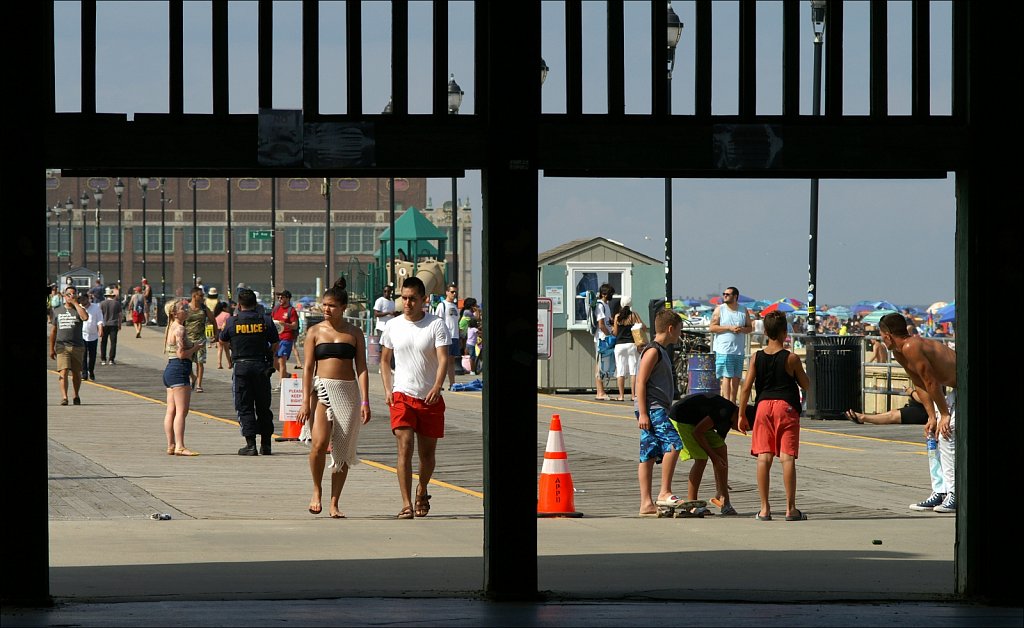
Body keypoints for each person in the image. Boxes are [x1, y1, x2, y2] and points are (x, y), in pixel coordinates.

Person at [296, 277, 371, 518]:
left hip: (348, 391)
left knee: (343, 449)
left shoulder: (354, 332)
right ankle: (316, 490)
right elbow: (308, 367)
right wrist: (305, 401)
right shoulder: (314, 332)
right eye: (324, 305)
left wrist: (365, 401)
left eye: (331, 306)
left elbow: (361, 367)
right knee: (318, 444)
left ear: (343, 308)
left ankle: (334, 502)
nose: (326, 310)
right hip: (322, 390)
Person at [379, 276, 450, 520]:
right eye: (404, 298)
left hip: (429, 397)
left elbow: (443, 358)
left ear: (423, 300)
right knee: (405, 446)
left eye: (412, 299)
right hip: (402, 394)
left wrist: (438, 386)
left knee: (427, 455)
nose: (407, 303)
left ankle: (422, 489)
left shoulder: (436, 324)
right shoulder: (393, 325)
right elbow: (385, 360)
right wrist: (388, 389)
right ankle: (406, 503)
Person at [878, 312, 958, 513]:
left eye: (881, 335)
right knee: (933, 433)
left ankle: (954, 493)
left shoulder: (912, 346)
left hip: (961, 386)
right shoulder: (898, 352)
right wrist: (932, 416)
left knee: (947, 434)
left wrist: (944, 415)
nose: (880, 339)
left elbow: (931, 381)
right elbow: (919, 383)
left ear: (887, 335)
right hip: (948, 391)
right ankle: (940, 490)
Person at [737, 310, 810, 522]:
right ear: (785, 333)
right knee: (787, 457)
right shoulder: (791, 358)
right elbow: (806, 384)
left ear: (766, 332)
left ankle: (764, 508)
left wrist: (742, 414)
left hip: (762, 407)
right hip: (785, 407)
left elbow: (745, 388)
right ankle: (790, 508)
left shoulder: (756, 357)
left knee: (764, 456)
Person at [634, 308, 686, 517]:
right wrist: (644, 413)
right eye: (679, 331)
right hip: (653, 409)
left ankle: (646, 503)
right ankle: (664, 491)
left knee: (648, 453)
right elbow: (640, 381)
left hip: (655, 408)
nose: (680, 335)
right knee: (674, 446)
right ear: (671, 329)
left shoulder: (659, 351)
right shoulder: (653, 351)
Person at [219, 288, 280, 456]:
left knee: (244, 405)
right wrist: (268, 355)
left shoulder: (232, 322)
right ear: (256, 304)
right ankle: (266, 445)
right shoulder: (265, 321)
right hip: (261, 367)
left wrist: (229, 359)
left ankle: (250, 444)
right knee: (263, 406)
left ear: (239, 305)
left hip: (241, 367)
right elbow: (275, 343)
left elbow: (222, 340)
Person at [669, 392, 750, 516]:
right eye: (744, 427)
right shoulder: (724, 412)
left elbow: (718, 449)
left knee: (721, 448)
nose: (742, 430)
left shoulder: (728, 421)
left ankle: (723, 497)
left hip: (697, 422)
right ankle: (692, 504)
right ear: (741, 417)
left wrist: (721, 480)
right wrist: (714, 457)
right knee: (701, 458)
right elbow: (697, 433)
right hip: (682, 418)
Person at [162, 299, 204, 456]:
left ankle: (171, 445)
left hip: (170, 370)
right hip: (179, 369)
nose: (186, 310)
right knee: (181, 411)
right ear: (174, 313)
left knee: (171, 410)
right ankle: (180, 446)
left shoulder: (171, 327)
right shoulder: (179, 329)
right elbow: (181, 354)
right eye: (182, 308)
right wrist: (196, 347)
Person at [709, 287, 753, 404]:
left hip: (738, 350)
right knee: (726, 377)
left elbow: (750, 328)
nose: (725, 296)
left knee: (736, 377)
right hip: (724, 349)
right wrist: (728, 327)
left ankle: (733, 403)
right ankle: (726, 403)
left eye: (727, 294)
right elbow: (712, 327)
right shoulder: (720, 310)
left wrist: (742, 329)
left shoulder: (743, 310)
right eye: (724, 294)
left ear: (735, 296)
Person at [49, 285, 89, 406]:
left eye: (73, 294)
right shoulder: (57, 311)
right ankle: (64, 397)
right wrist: (51, 348)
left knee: (76, 373)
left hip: (77, 346)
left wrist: (76, 303)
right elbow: (53, 331)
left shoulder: (79, 309)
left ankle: (76, 395)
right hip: (62, 346)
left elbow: (85, 317)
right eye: (68, 294)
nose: (70, 296)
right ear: (64, 296)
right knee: (63, 371)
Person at [611, 295, 646, 402]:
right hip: (631, 344)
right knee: (633, 370)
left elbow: (616, 333)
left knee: (620, 371)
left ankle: (621, 396)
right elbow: (643, 327)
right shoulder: (634, 315)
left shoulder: (617, 316)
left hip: (619, 345)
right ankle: (633, 395)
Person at [183, 286, 217, 393]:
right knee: (186, 362)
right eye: (201, 295)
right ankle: (192, 377)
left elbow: (213, 320)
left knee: (200, 362)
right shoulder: (186, 308)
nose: (203, 297)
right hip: (188, 339)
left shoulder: (204, 308)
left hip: (200, 338)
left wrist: (215, 334)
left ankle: (199, 384)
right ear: (194, 296)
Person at [845, 385, 929, 425]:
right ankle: (864, 417)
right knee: (893, 412)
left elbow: (926, 400)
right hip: (920, 406)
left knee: (893, 416)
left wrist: (911, 392)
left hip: (928, 410)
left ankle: (863, 418)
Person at [434, 283, 461, 389]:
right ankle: (438, 384)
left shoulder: (455, 306)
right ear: (447, 292)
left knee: (451, 361)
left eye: (455, 292)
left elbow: (456, 322)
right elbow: (438, 321)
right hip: (446, 337)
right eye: (452, 292)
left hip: (455, 336)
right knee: (442, 361)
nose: (454, 294)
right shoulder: (442, 305)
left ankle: (452, 383)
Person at [271, 290, 300, 388]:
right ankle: (286, 375)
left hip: (286, 337)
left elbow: (295, 326)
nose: (279, 299)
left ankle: (281, 383)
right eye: (278, 297)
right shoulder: (276, 309)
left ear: (287, 298)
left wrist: (285, 324)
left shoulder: (291, 310)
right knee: (274, 362)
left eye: (282, 297)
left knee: (281, 360)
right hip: (276, 338)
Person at [593, 282, 615, 401]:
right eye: (610, 294)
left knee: (603, 364)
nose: (611, 296)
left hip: (605, 336)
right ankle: (600, 392)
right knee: (599, 364)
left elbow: (607, 321)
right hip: (602, 338)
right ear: (604, 294)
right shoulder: (600, 305)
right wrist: (609, 336)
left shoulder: (606, 305)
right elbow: (601, 325)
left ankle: (601, 391)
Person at [80, 292, 102, 382]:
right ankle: (84, 373)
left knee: (92, 355)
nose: (82, 302)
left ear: (88, 299)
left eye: (84, 299)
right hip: (82, 334)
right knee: (83, 354)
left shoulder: (96, 307)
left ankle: (91, 370)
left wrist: (100, 329)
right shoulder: (79, 307)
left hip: (93, 335)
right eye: (80, 300)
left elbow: (100, 319)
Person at [99, 286, 123, 366]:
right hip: (114, 324)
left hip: (104, 324)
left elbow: (100, 315)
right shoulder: (117, 303)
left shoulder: (102, 303)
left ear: (106, 296)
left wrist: (99, 326)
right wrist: (120, 324)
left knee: (103, 342)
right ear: (113, 296)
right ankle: (111, 359)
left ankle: (103, 359)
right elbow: (120, 315)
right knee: (113, 342)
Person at [213, 301, 232, 369]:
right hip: (224, 331)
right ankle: (229, 363)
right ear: (224, 308)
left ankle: (219, 364)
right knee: (226, 349)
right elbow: (228, 324)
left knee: (219, 349)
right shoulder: (227, 314)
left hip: (217, 331)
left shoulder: (216, 314)